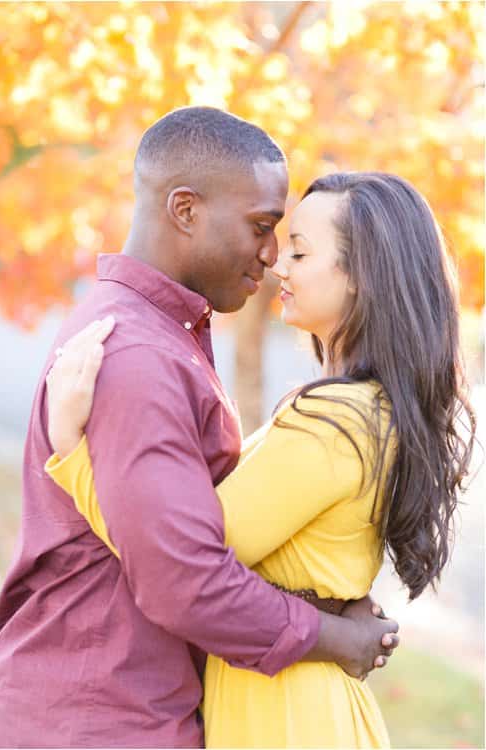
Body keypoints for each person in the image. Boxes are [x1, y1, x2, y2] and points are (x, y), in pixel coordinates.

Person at [0, 108, 401, 748]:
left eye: (289, 241)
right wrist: (335, 637)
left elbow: (192, 538)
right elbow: (185, 578)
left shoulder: (165, 338)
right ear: (185, 210)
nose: (271, 254)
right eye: (263, 227)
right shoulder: (136, 355)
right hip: (103, 718)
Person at [43, 171, 475, 747]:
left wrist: (72, 452)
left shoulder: (337, 420)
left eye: (300, 251)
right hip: (291, 699)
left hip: (290, 716)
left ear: (362, 278)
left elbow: (181, 553)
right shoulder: (362, 409)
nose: (279, 265)